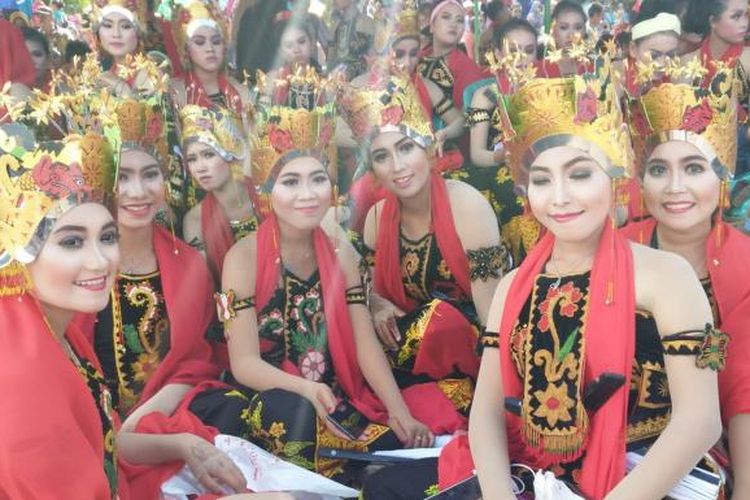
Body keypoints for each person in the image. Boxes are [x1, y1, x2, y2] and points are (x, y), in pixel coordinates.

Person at [466, 50, 723, 500]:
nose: (560, 197)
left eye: (580, 174)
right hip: (540, 478)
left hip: (651, 478)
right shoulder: (512, 286)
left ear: (614, 178)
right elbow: (485, 413)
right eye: (543, 181)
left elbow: (702, 421)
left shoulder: (669, 277)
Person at [189, 75, 431, 481]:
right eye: (290, 182)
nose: (308, 194)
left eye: (318, 179)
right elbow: (244, 363)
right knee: (293, 417)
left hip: (330, 391)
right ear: (266, 192)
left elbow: (363, 341)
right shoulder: (241, 259)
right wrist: (303, 388)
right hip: (267, 395)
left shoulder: (341, 253)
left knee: (393, 443)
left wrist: (398, 411)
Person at [340, 74, 510, 436]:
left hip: (472, 348)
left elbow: (492, 313)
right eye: (382, 157)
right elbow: (367, 292)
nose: (398, 166)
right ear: (372, 169)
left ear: (428, 147)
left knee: (439, 321)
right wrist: (376, 303)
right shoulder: (374, 219)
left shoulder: (466, 204)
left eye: (406, 148)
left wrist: (500, 393)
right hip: (406, 354)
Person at [622, 62, 750, 498]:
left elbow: (743, 391)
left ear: (722, 175)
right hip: (603, 439)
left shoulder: (744, 266)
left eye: (694, 168)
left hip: (703, 449)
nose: (675, 187)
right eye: (659, 170)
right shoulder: (614, 250)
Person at [0, 128, 129, 499]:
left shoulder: (53, 328)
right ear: (19, 255)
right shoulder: (18, 371)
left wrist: (183, 445)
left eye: (107, 237)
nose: (100, 261)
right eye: (72, 242)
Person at [345, 0, 466, 231]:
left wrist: (443, 133)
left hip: (426, 163)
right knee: (364, 197)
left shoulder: (426, 85)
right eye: (399, 54)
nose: (407, 62)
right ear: (384, 50)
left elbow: (459, 121)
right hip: (382, 166)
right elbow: (340, 131)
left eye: (413, 54)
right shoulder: (363, 87)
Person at [461, 18, 542, 264]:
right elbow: (477, 154)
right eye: (513, 51)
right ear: (497, 53)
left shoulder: (544, 89)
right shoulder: (484, 95)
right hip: (498, 168)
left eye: (529, 50)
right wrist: (505, 156)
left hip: (541, 168)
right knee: (516, 191)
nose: (522, 58)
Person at [180, 104, 257, 285]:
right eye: (192, 159)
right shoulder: (194, 220)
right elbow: (203, 283)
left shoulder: (265, 198)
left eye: (208, 155)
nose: (200, 167)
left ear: (231, 152)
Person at [328, 0, 375, 81]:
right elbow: (330, 61)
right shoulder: (335, 26)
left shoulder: (366, 23)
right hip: (336, 83)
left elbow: (373, 59)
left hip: (360, 84)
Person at [542, 1, 589, 77]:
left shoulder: (593, 68)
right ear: (553, 30)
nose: (571, 35)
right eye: (564, 27)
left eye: (578, 28)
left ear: (584, 31)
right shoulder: (538, 70)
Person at [20, 26, 52, 91]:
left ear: (48, 59)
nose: (31, 61)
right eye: (24, 55)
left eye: (37, 55)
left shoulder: (62, 92)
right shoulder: (4, 94)